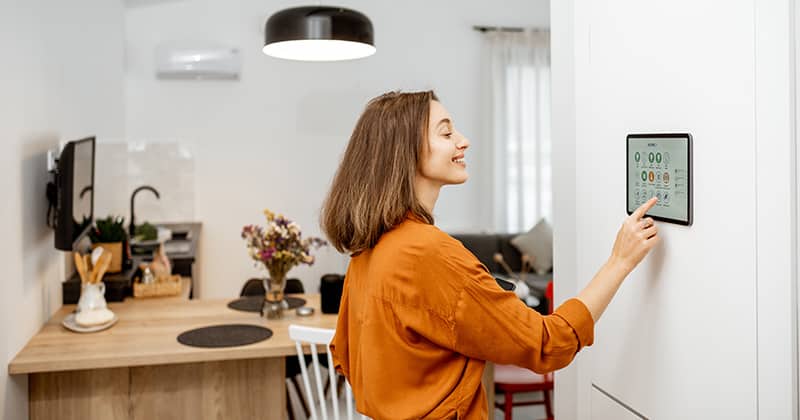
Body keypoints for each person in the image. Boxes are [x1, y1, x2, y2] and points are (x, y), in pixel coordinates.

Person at [321, 90, 660, 420]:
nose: (463, 141)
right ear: (404, 151)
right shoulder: (428, 252)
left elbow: (346, 356)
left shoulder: (368, 249)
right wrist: (620, 261)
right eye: (446, 132)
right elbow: (547, 342)